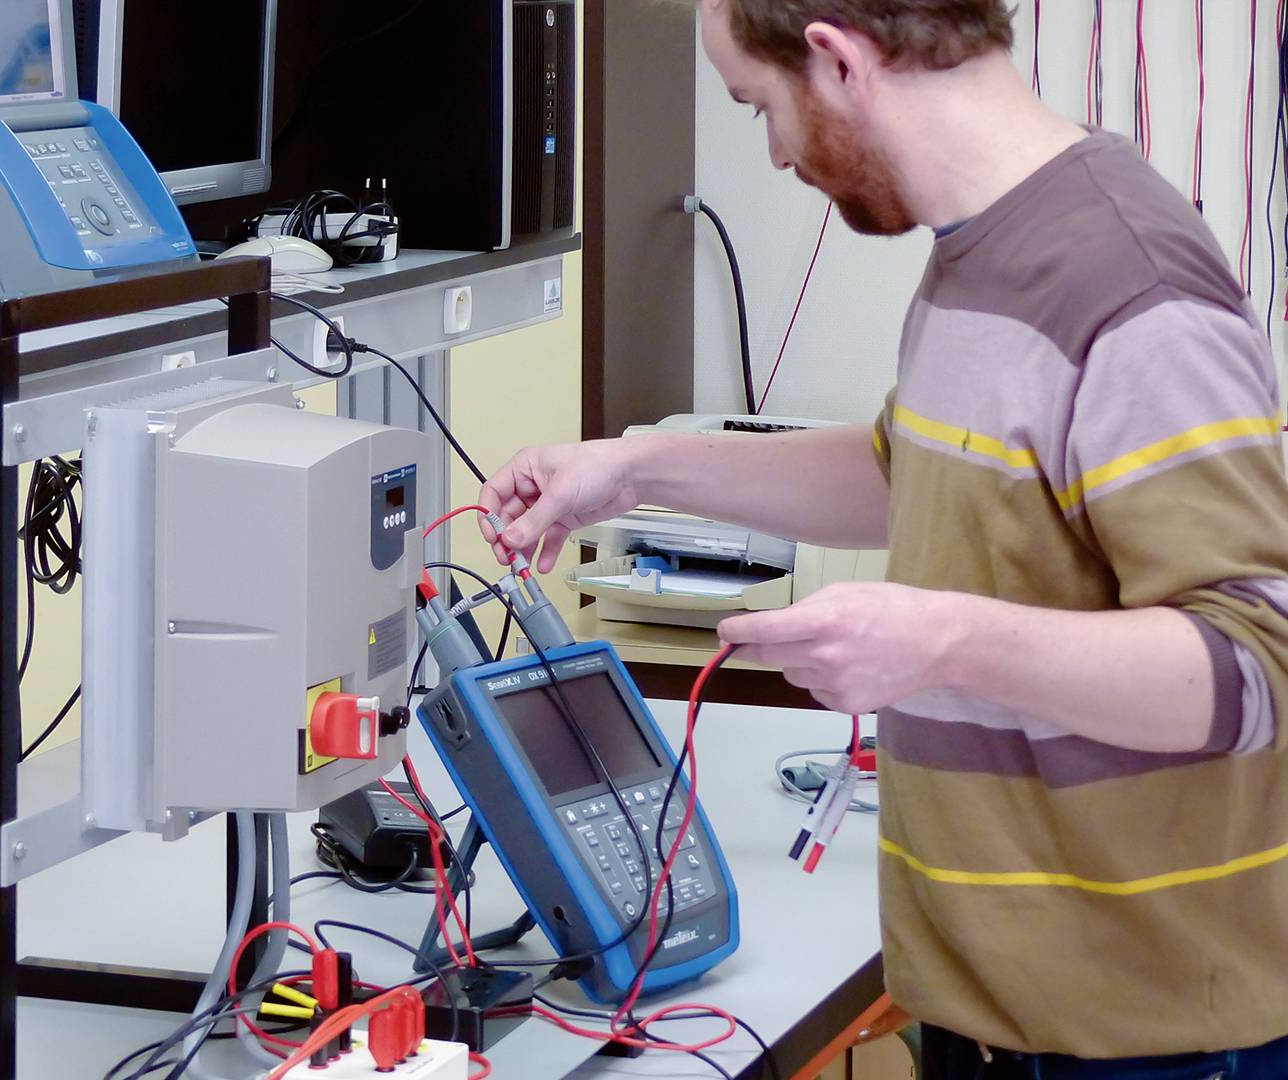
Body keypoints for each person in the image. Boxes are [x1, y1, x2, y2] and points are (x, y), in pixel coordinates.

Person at [480, 1, 1288, 1075]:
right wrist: (631, 470)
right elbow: (902, 469)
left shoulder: (1130, 283)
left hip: (1144, 1042)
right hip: (994, 1009)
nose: (770, 153)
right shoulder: (984, 249)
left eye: (758, 107)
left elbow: (1256, 664)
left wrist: (941, 642)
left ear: (837, 59)